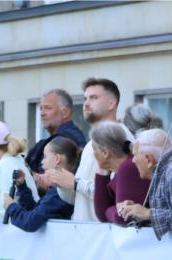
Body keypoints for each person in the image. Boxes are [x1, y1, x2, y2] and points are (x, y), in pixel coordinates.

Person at [47, 77, 120, 222]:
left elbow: (116, 195)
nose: (86, 104)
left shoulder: (120, 138)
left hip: (103, 237)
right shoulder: (90, 144)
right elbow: (76, 198)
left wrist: (74, 183)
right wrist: (62, 183)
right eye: (85, 98)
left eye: (93, 98)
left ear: (111, 103)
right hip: (85, 234)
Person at [4, 137, 79, 232]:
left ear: (57, 159)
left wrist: (12, 207)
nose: (42, 161)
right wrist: (22, 186)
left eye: (45, 156)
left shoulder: (59, 195)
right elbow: (34, 211)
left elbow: (30, 222)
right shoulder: (58, 191)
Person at [89, 121, 148, 225]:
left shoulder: (129, 167)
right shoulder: (123, 168)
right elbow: (102, 215)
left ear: (105, 153)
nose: (93, 154)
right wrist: (102, 172)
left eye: (94, 149)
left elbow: (123, 217)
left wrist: (108, 210)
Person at [25, 89, 85, 175]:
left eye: (48, 108)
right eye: (41, 108)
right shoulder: (62, 137)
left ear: (66, 112)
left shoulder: (66, 139)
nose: (42, 113)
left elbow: (49, 181)